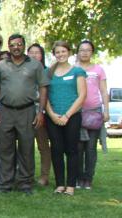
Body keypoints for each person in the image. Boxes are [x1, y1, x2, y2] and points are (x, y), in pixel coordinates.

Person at [0, 34, 49, 195]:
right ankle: (5, 183)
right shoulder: (2, 65)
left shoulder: (35, 65)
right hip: (5, 111)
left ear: (24, 46)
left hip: (27, 111)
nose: (16, 47)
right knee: (5, 149)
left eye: (19, 44)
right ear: (8, 47)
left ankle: (25, 183)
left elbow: (43, 87)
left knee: (26, 148)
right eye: (12, 45)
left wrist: (40, 112)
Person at [45, 41, 86, 196]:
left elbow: (82, 96)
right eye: (57, 52)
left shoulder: (77, 71)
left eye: (63, 51)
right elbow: (44, 95)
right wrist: (51, 114)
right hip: (53, 117)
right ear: (54, 54)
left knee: (71, 150)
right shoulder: (48, 72)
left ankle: (71, 185)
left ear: (69, 52)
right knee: (56, 150)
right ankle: (60, 184)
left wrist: (67, 115)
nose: (60, 54)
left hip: (72, 116)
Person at [74, 40, 108, 190]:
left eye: (88, 50)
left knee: (91, 148)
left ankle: (88, 178)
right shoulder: (73, 69)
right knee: (78, 147)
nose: (85, 52)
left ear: (92, 52)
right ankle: (78, 177)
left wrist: (106, 110)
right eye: (82, 50)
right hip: (77, 113)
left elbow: (103, 91)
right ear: (77, 52)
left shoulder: (98, 70)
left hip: (94, 112)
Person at [27, 43, 51, 185]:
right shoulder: (23, 70)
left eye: (37, 52)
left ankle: (44, 176)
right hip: (26, 112)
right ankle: (27, 175)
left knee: (43, 146)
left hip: (43, 113)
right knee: (26, 145)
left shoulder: (47, 71)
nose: (34, 55)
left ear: (42, 55)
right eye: (31, 52)